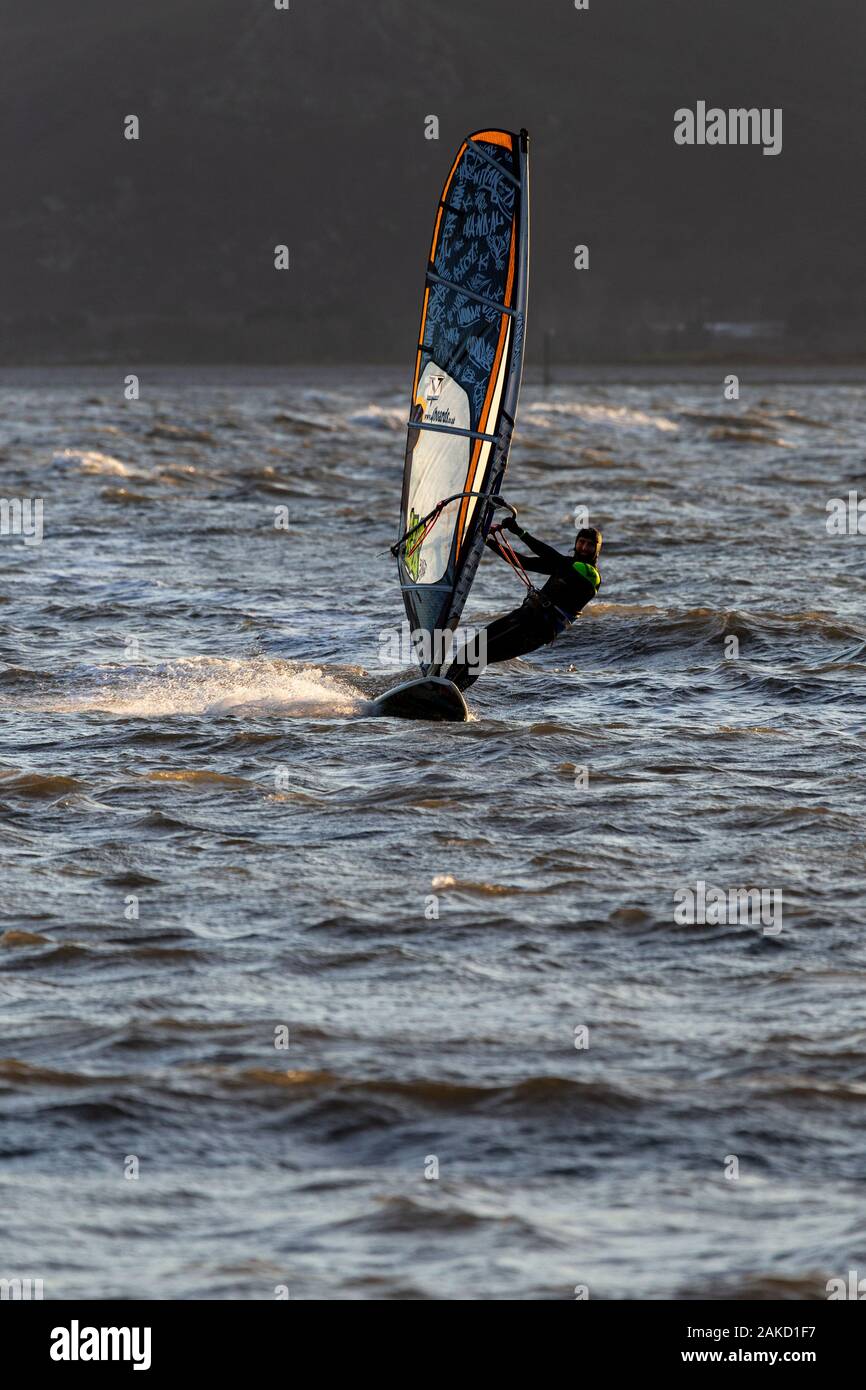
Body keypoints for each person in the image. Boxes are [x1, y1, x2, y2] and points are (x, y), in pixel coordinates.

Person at [445, 519, 602, 691]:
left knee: (479, 650)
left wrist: (520, 532)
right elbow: (523, 562)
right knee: (480, 653)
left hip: (534, 626)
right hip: (526, 618)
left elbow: (547, 553)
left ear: (597, 550)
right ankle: (450, 691)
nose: (584, 548)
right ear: (576, 542)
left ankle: (445, 689)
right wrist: (488, 542)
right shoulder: (565, 565)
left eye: (590, 545)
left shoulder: (590, 574)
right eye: (581, 542)